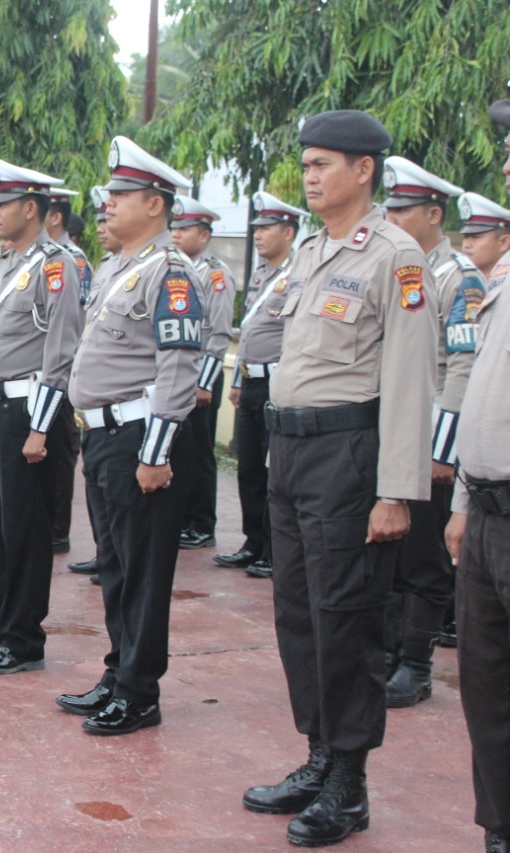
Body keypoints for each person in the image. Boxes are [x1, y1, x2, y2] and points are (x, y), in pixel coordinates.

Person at [240, 111, 437, 848]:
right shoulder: (311, 250)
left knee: (344, 616)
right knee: (297, 612)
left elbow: (411, 380)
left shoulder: (396, 257)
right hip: (291, 454)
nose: (310, 176)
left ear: (364, 170)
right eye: (306, 164)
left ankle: (349, 782)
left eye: (323, 163)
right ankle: (319, 754)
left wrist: (395, 492)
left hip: (348, 457)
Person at [55, 137, 201, 735]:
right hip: (103, 436)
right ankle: (118, 673)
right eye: (109, 194)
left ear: (155, 204)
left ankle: (139, 693)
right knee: (114, 566)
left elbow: (179, 366)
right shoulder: (118, 267)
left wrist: (156, 453)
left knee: (143, 571)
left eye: (121, 194)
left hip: (140, 437)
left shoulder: (171, 273)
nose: (107, 204)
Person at [0, 158, 81, 675]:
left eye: (4, 204)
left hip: (27, 411)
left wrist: (40, 427)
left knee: (25, 531)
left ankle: (25, 639)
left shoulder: (56, 266)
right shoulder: (10, 262)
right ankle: (5, 627)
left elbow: (61, 351)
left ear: (31, 209)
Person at [380, 156, 485, 708]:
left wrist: (442, 451)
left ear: (434, 214)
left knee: (422, 556)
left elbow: (462, 368)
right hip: (390, 432)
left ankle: (416, 665)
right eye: (389, 211)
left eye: (403, 211)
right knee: (388, 552)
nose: (391, 220)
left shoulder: (458, 278)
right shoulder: (399, 269)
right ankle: (388, 651)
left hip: (428, 438)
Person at [444, 92, 510, 853]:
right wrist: (463, 498)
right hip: (488, 510)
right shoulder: (502, 276)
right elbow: (481, 395)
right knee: (487, 687)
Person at [216, 191, 306, 579]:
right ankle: (252, 542)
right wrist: (238, 379)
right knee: (249, 468)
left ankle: (273, 550)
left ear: (288, 232)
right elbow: (251, 332)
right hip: (252, 382)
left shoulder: (298, 274)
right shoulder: (261, 275)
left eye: (267, 228)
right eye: (256, 228)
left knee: (274, 473)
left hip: (276, 383)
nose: (258, 235)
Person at [170, 196, 237, 552]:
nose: (176, 235)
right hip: (178, 376)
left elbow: (219, 334)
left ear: (204, 235)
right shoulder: (175, 269)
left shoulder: (215, 275)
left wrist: (205, 383)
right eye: (174, 229)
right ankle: (182, 518)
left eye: (184, 229)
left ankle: (201, 524)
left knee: (198, 453)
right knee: (179, 452)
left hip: (201, 377)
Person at [69, 185, 121, 579]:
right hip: (94, 414)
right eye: (100, 218)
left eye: (110, 216)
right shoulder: (108, 269)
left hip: (126, 418)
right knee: (98, 499)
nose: (103, 225)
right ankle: (105, 553)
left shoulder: (165, 270)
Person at [45, 187, 91, 556]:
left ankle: (57, 531)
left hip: (63, 371)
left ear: (54, 217)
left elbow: (75, 320)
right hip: (40, 373)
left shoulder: (72, 260)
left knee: (60, 453)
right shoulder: (37, 258)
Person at [459, 192, 510, 282]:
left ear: (503, 243)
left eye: (476, 237)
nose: (467, 245)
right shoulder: (459, 280)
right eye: (466, 237)